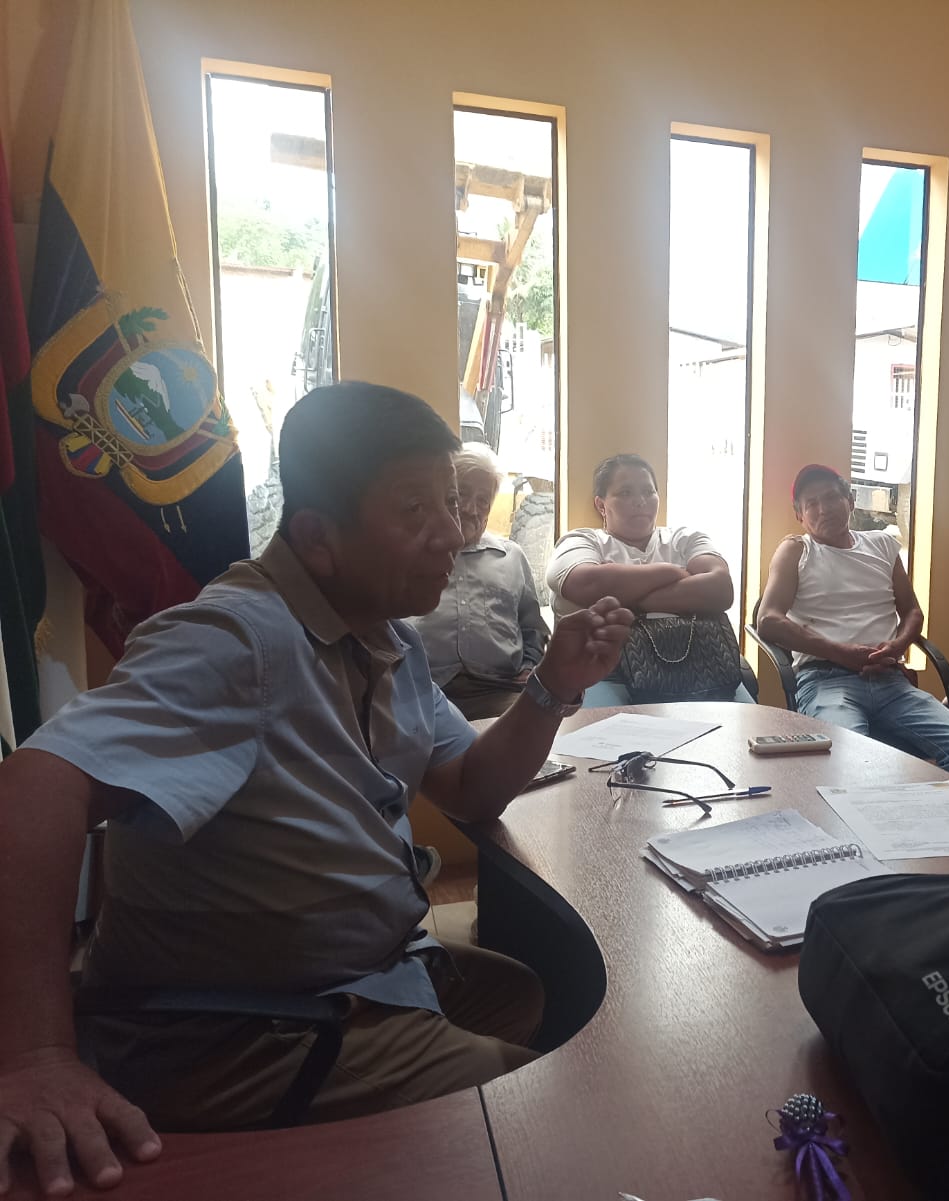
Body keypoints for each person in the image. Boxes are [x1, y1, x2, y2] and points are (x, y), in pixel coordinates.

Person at [0, 382, 633, 1195]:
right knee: (553, 1129)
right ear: (317, 539)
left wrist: (552, 684)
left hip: (361, 970)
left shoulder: (386, 634)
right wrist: (33, 1056)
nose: (452, 531)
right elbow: (33, 784)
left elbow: (472, 786)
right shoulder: (237, 639)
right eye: (415, 509)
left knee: (532, 990)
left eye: (449, 501)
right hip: (237, 1027)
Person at [756, 464, 949, 787]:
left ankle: (925, 820)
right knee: (852, 763)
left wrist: (897, 646)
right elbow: (768, 621)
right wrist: (841, 653)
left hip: (890, 681)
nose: (823, 509)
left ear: (851, 500)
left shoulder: (882, 545)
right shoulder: (797, 550)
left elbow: (912, 611)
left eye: (832, 497)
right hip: (825, 681)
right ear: (799, 515)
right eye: (811, 503)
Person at [546, 453, 752, 706]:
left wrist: (624, 595)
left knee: (751, 726)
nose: (640, 501)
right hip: (607, 673)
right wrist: (672, 572)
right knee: (603, 727)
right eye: (625, 493)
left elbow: (721, 589)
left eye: (648, 491)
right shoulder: (583, 541)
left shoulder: (684, 539)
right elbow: (584, 583)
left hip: (702, 669)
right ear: (601, 505)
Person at [410, 443, 550, 720]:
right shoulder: (411, 553)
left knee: (537, 724)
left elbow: (533, 627)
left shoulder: (510, 556)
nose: (471, 509)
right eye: (460, 494)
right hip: (421, 689)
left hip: (500, 690)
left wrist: (529, 665)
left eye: (483, 500)